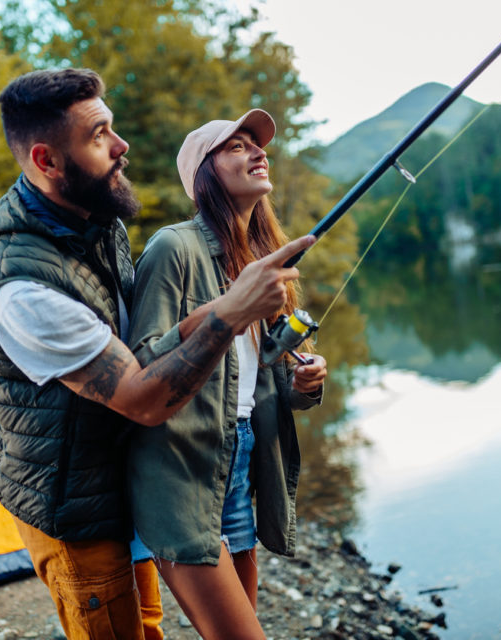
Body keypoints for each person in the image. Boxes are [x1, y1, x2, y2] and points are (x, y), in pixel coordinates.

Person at [0, 70, 315, 640]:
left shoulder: (92, 223)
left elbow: (145, 343)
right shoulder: (22, 289)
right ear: (46, 161)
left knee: (149, 625)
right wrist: (229, 314)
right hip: (72, 504)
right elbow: (141, 397)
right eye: (100, 133)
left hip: (124, 473)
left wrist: (235, 307)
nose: (121, 144)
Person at [127, 109, 328, 639]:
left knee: (242, 626)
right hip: (182, 464)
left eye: (257, 146)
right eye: (236, 147)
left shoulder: (263, 259)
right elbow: (143, 366)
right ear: (204, 174)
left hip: (241, 458)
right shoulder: (173, 248)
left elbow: (268, 379)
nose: (258, 152)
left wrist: (306, 382)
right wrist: (222, 312)